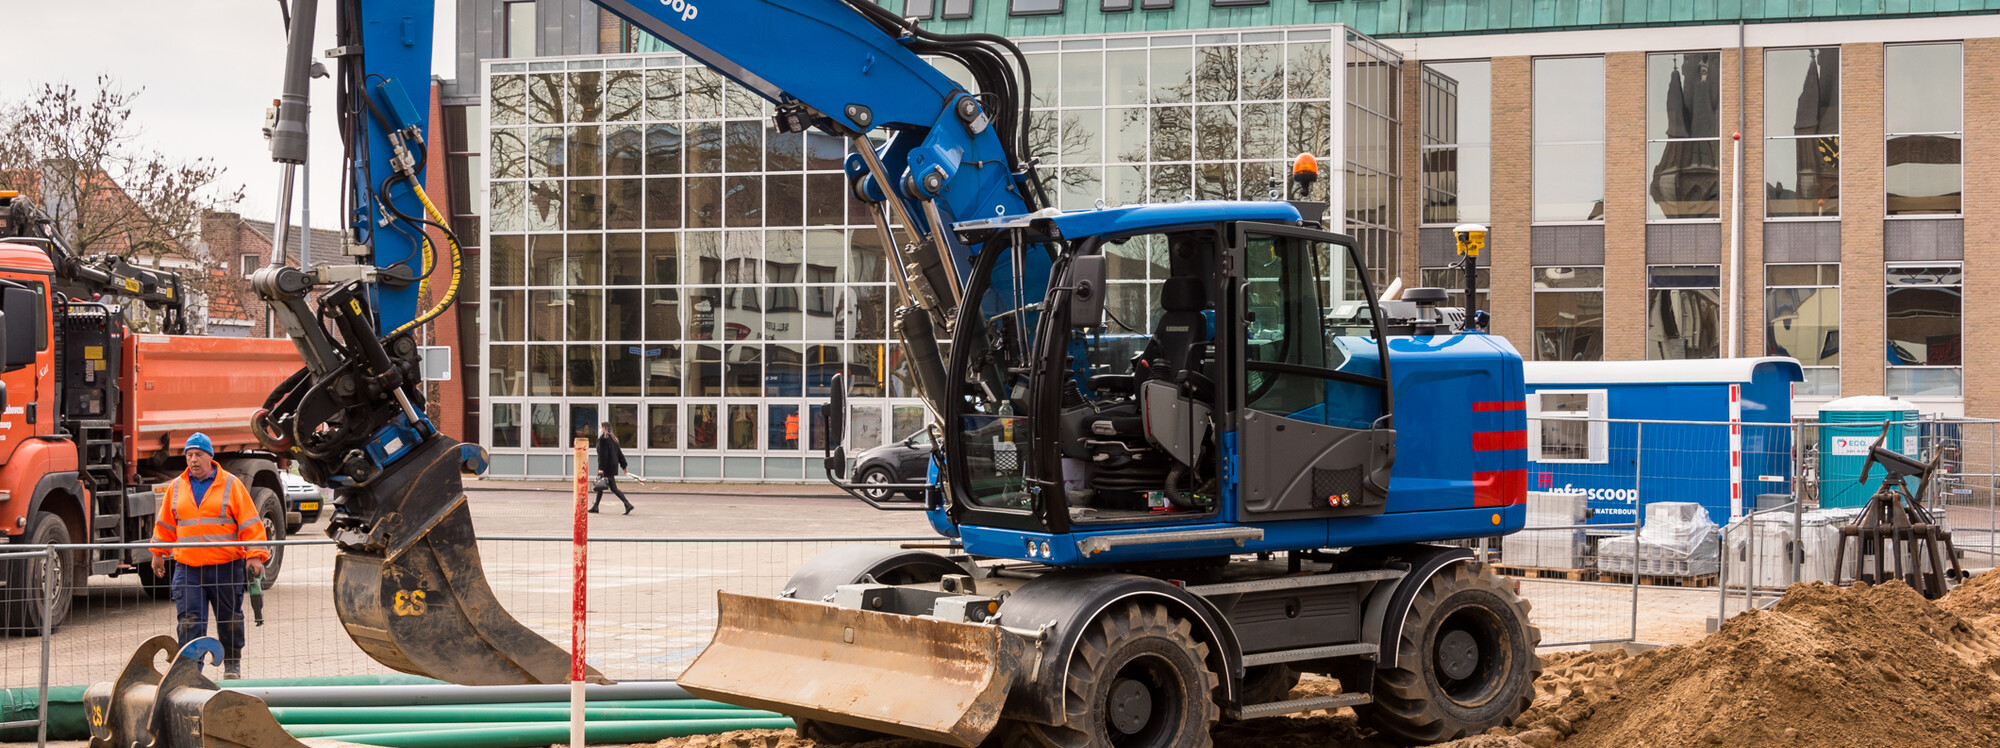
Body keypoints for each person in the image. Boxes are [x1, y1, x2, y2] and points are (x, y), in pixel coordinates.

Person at [150, 433, 269, 679]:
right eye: (189, 455)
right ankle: (190, 673)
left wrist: (255, 555)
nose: (193, 460)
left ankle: (232, 665)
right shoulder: (176, 487)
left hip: (225, 566)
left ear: (210, 457)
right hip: (188, 568)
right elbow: (165, 525)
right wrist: (158, 553)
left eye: (198, 455)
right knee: (190, 622)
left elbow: (250, 523)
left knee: (230, 619)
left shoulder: (231, 484)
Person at [591, 422, 633, 515]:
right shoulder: (614, 439)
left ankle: (627, 504)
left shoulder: (603, 439)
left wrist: (601, 468)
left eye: (600, 427)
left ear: (604, 428)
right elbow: (619, 454)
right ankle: (596, 506)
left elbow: (603, 455)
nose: (599, 429)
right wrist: (624, 465)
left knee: (612, 488)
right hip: (612, 465)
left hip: (606, 466)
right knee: (601, 486)